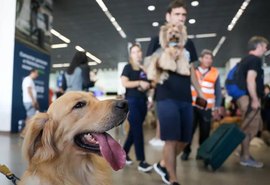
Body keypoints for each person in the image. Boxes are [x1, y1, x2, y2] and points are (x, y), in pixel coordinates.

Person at [146, 1, 204, 184]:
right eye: (177, 14)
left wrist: (200, 91)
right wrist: (166, 58)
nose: (181, 18)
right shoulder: (157, 40)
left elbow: (192, 69)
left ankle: (163, 164)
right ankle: (173, 178)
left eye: (183, 15)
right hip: (165, 96)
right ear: (168, 16)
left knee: (185, 140)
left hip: (186, 97)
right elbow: (148, 67)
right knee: (170, 139)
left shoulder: (189, 43)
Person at [181, 49, 222, 160]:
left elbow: (218, 91)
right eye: (206, 58)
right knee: (189, 130)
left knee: (205, 132)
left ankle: (201, 152)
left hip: (207, 107)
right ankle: (186, 151)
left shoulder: (215, 72)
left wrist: (217, 106)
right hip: (192, 105)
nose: (209, 60)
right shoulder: (193, 70)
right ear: (201, 59)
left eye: (210, 58)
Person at [236, 36, 268, 168]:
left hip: (244, 97)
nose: (266, 49)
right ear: (259, 46)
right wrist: (255, 99)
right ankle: (245, 157)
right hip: (249, 98)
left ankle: (245, 153)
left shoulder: (245, 59)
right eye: (265, 46)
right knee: (250, 129)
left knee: (248, 127)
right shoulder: (254, 60)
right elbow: (251, 80)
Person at [121, 44, 153, 173]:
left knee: (134, 131)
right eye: (134, 52)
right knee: (138, 130)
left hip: (143, 102)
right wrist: (139, 83)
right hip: (132, 101)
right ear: (131, 55)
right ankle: (142, 161)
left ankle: (123, 154)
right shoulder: (127, 67)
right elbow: (124, 83)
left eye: (139, 51)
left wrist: (149, 97)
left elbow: (149, 84)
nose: (137, 54)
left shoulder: (144, 69)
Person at [21, 68, 39, 136]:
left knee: (29, 117)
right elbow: (29, 90)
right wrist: (33, 101)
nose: (37, 75)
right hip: (29, 101)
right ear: (32, 72)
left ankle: (24, 133)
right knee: (31, 118)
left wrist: (35, 101)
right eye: (36, 73)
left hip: (29, 101)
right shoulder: (28, 79)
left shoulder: (29, 80)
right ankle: (26, 134)